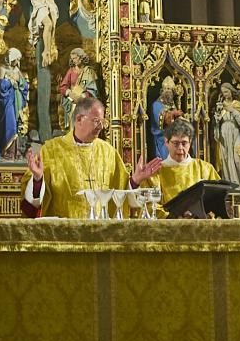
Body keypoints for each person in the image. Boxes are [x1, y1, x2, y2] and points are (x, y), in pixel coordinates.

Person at [22, 96, 162, 218]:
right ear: (79, 119)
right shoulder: (50, 150)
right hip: (64, 235)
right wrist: (38, 179)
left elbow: (120, 195)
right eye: (96, 121)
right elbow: (32, 205)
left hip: (100, 233)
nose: (101, 126)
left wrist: (135, 181)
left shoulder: (108, 152)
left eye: (102, 122)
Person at [143, 119, 221, 215]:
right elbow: (149, 206)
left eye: (184, 143)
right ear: (166, 142)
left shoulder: (205, 169)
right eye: (175, 143)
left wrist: (196, 214)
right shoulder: (155, 173)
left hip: (200, 226)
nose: (180, 148)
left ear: (190, 142)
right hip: (167, 227)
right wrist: (177, 217)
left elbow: (216, 200)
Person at [0, 47, 30, 162]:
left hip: (16, 102)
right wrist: (10, 83)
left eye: (18, 60)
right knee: (10, 125)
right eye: (15, 60)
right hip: (6, 104)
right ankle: (6, 152)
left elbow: (24, 85)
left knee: (17, 125)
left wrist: (19, 82)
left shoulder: (17, 70)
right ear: (10, 59)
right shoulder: (1, 69)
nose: (17, 63)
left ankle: (15, 153)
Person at [213, 82, 240, 188]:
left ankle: (237, 182)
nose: (225, 94)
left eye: (227, 91)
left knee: (236, 157)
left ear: (231, 91)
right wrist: (217, 116)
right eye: (223, 92)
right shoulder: (220, 105)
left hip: (234, 131)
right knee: (225, 157)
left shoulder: (237, 104)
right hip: (223, 131)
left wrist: (232, 110)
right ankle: (227, 182)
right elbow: (216, 123)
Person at [59, 47, 99, 130]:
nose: (74, 60)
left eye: (75, 58)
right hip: (72, 102)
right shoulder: (71, 71)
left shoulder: (88, 71)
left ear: (81, 57)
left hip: (85, 103)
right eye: (72, 59)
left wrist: (83, 96)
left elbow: (93, 90)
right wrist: (69, 93)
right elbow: (63, 87)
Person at [148, 76, 182, 160]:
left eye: (170, 90)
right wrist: (173, 114)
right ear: (162, 91)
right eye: (166, 90)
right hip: (162, 138)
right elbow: (162, 119)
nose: (168, 92)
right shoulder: (156, 104)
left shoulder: (172, 104)